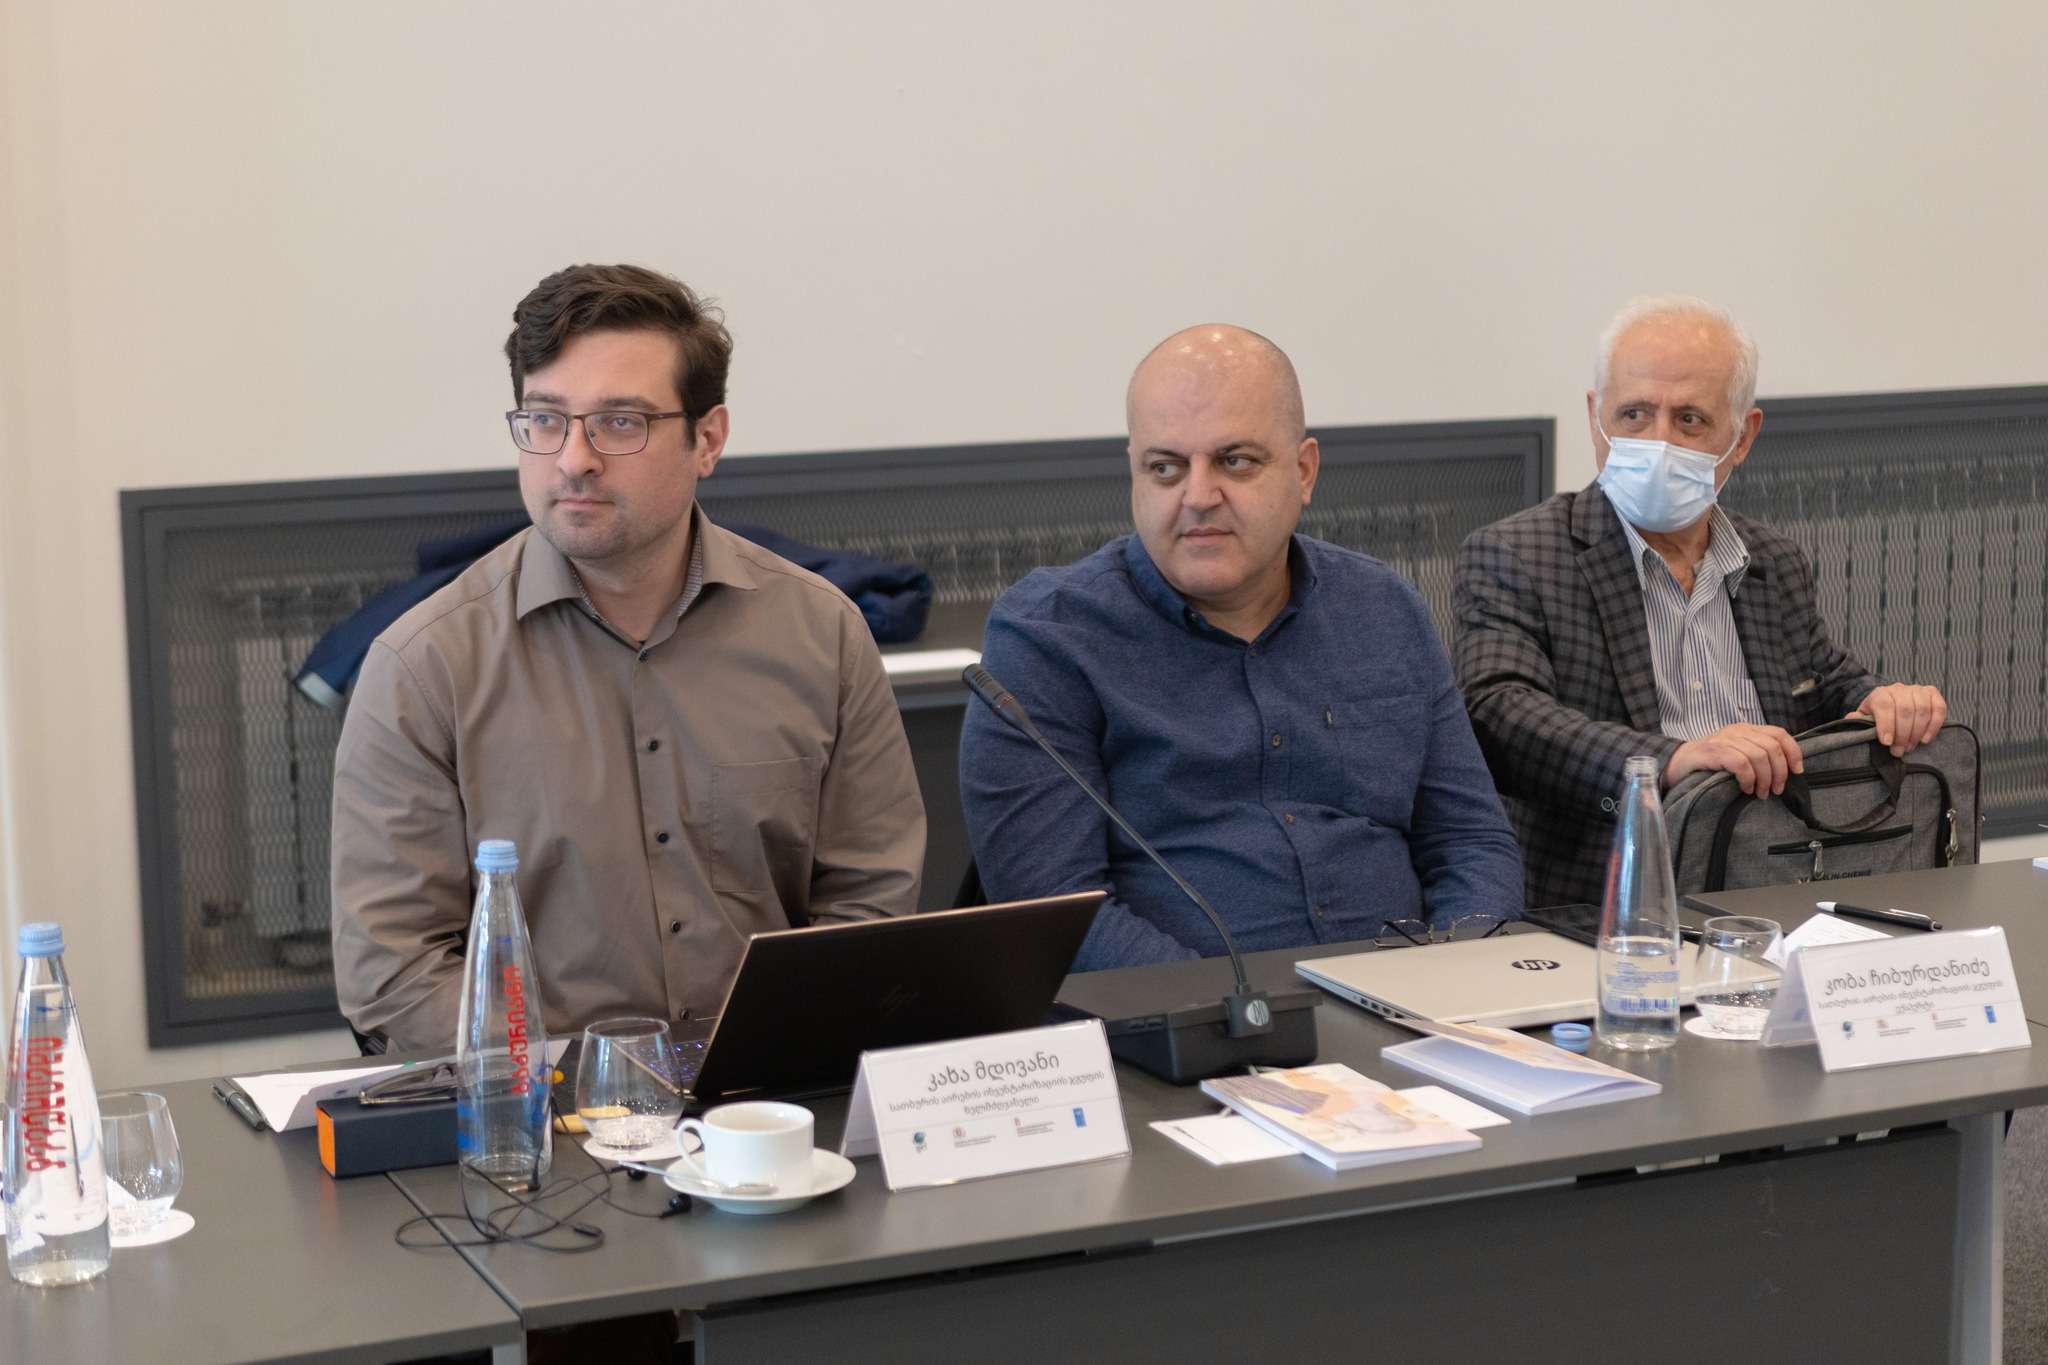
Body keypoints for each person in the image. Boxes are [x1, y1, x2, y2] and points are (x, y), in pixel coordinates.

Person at [330, 264, 925, 1052]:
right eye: (546, 420)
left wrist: (766, 1064)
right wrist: (577, 1082)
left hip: (768, 1095)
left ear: (707, 439)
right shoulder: (422, 667)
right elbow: (395, 972)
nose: (573, 458)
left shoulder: (823, 633)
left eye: (619, 422)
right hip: (538, 1105)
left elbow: (870, 901)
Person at [959, 325, 1523, 970]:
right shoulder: (1049, 635)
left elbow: (1471, 842)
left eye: (1235, 462)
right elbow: (1054, 907)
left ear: (1304, 472)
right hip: (1177, 1018)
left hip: (1413, 1001)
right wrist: (1242, 1008)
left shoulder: (1383, 607)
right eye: (1165, 468)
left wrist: (1459, 975)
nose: (1198, 497)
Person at [1454, 295, 1948, 908]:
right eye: (1634, 413)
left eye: (1689, 419)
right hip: (1609, 907)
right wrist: (1671, 761)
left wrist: (1885, 700)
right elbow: (1500, 715)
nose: (1658, 441)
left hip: (1771, 894)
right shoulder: (1519, 554)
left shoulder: (1772, 560)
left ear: (1742, 437)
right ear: (1594, 417)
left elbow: (1824, 681)